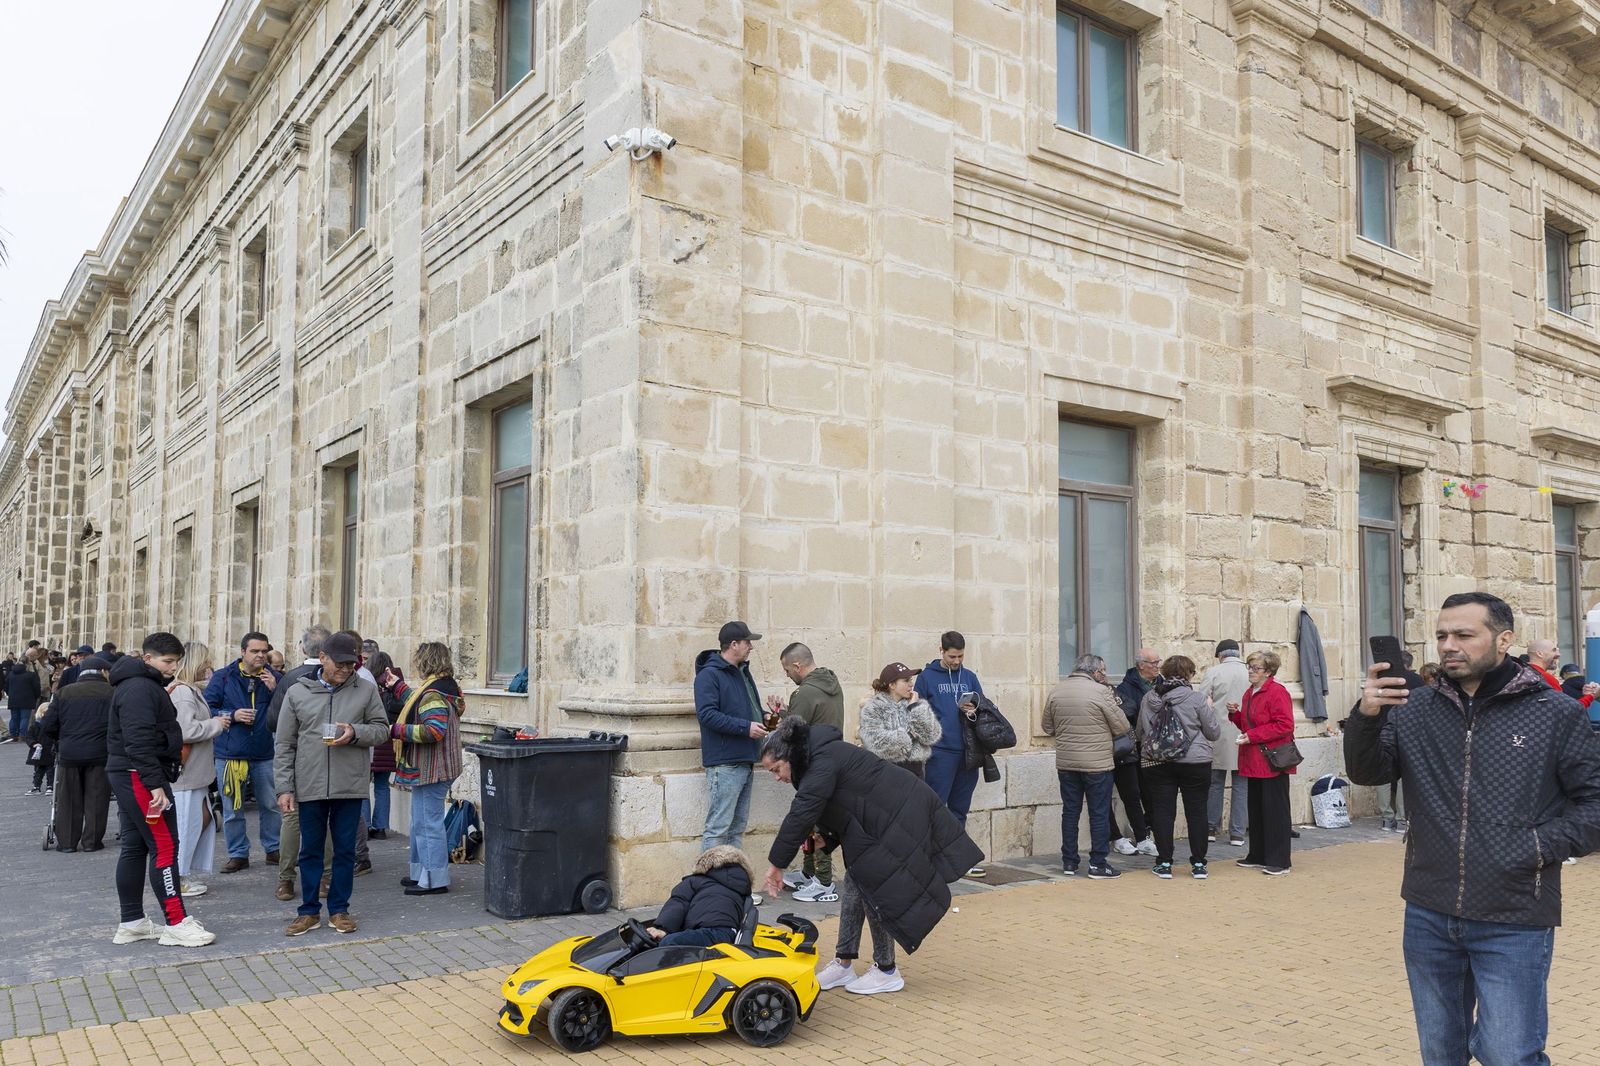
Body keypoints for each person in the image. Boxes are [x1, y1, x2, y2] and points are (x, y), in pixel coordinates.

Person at [1346, 591, 1600, 1066]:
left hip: (1515, 912)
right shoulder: (1414, 709)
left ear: (1504, 640)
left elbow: (1594, 803)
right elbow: (1368, 772)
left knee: (1508, 1054)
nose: (1449, 645)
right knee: (1441, 1052)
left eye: (1464, 634)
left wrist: (1535, 847)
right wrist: (1366, 717)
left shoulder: (1554, 712)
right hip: (1428, 909)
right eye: (1442, 635)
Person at [758, 718, 982, 996]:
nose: (776, 777)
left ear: (789, 755)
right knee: (856, 883)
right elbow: (841, 803)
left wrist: (777, 864)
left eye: (776, 769)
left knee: (875, 888)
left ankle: (886, 970)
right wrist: (827, 838)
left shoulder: (820, 759)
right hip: (878, 819)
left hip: (897, 815)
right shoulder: (813, 758)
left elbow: (802, 812)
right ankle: (844, 962)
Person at [104, 632, 216, 947]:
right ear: (148, 658)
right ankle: (176, 923)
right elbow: (138, 740)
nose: (172, 667)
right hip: (140, 775)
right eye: (168, 661)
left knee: (135, 846)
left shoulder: (139, 684)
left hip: (133, 773)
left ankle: (132, 922)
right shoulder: (140, 688)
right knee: (165, 846)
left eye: (176, 662)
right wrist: (154, 785)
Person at [274, 631, 388, 936]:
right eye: (340, 663)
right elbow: (284, 744)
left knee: (345, 852)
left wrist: (355, 732)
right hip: (309, 783)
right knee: (310, 851)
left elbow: (382, 730)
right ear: (322, 658)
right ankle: (308, 911)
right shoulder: (297, 692)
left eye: (351, 664)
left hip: (349, 784)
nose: (346, 669)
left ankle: (339, 910)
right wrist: (284, 787)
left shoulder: (365, 690)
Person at [385, 643, 464, 896]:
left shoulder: (434, 693)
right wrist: (397, 686)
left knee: (428, 824)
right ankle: (420, 873)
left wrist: (395, 730)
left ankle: (434, 880)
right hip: (433, 767)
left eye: (419, 660)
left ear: (426, 662)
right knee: (420, 822)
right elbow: (417, 702)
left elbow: (433, 731)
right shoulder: (441, 687)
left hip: (433, 768)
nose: (417, 664)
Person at [1042, 654, 1130, 879]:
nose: (1105, 675)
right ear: (1096, 672)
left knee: (1070, 812)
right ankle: (1098, 864)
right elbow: (1122, 726)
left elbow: (1047, 727)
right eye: (1103, 671)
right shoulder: (1101, 692)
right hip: (1097, 764)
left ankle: (1069, 862)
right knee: (1099, 813)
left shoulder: (1057, 690)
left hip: (1067, 762)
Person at [204, 632, 282, 873]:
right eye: (255, 651)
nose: (260, 655)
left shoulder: (275, 678)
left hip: (264, 751)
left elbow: (289, 711)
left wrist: (275, 690)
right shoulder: (224, 677)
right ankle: (238, 854)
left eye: (264, 651)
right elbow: (207, 709)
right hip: (230, 753)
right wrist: (233, 715)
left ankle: (274, 849)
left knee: (270, 804)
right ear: (243, 652)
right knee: (232, 809)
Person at [1137, 655, 1221, 880]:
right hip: (1195, 762)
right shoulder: (1196, 699)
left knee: (1162, 812)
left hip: (1158, 762)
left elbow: (1140, 732)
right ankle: (1199, 864)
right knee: (1197, 812)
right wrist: (1210, 710)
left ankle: (1164, 863)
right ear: (1189, 674)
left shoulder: (1149, 698)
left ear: (1164, 672)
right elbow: (1213, 732)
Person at [774, 642, 844, 903]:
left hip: (813, 765)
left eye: (787, 670)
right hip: (830, 760)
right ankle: (808, 872)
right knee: (810, 822)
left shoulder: (804, 692)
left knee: (816, 824)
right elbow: (810, 721)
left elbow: (792, 732)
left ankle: (823, 882)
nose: (787, 675)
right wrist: (784, 712)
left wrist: (778, 720)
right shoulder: (831, 684)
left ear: (797, 665)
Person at [266, 625, 331, 901]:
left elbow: (274, 722)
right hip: (327, 757)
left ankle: (286, 880)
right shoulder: (338, 678)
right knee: (324, 821)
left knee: (291, 819)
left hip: (295, 757)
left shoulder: (291, 678)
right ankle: (325, 878)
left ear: (303, 648)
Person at [694, 621, 767, 854]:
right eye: (748, 642)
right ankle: (709, 877)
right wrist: (746, 728)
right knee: (718, 828)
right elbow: (707, 715)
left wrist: (766, 715)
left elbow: (748, 709)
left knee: (736, 829)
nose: (751, 647)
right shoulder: (709, 675)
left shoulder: (743, 673)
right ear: (734, 644)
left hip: (745, 758)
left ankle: (732, 876)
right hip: (725, 763)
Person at [1228, 650, 1295, 876]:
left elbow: (1285, 725)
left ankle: (1280, 860)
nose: (1250, 671)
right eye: (1249, 667)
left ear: (1268, 671)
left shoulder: (1277, 692)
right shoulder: (1250, 692)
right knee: (1256, 810)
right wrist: (1235, 715)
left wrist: (1253, 736)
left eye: (1255, 668)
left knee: (1275, 811)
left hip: (1272, 760)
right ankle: (1257, 854)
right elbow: (1248, 725)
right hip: (1253, 759)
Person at [914, 633, 985, 849]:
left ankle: (955, 857)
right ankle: (930, 855)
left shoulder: (969, 677)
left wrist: (973, 710)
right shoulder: (926, 677)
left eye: (960, 656)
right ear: (941, 651)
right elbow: (917, 712)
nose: (956, 661)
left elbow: (984, 708)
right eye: (952, 656)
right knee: (934, 807)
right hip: (940, 752)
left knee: (960, 810)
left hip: (969, 752)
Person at [168, 643, 228, 898]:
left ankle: (182, 872)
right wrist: (216, 724)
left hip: (195, 771)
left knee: (200, 819)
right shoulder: (183, 692)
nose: (208, 666)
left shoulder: (188, 689)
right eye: (205, 661)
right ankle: (178, 878)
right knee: (186, 824)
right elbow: (186, 730)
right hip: (188, 771)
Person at [43, 655, 113, 851]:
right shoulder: (112, 692)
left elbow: (48, 725)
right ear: (103, 672)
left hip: (69, 752)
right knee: (97, 797)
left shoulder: (64, 692)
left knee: (68, 798)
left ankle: (67, 842)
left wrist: (60, 738)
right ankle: (92, 841)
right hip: (100, 752)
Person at [646, 846, 754, 947]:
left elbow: (679, 902)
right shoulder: (741, 887)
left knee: (667, 943)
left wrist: (663, 929)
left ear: (704, 864)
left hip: (706, 933)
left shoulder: (694, 881)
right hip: (728, 934)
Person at [1109, 648, 1160, 857]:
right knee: (1130, 793)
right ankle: (1120, 837)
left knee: (1144, 793)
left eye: (1158, 662)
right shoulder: (1125, 688)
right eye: (1153, 662)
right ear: (1141, 665)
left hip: (1154, 748)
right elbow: (1128, 715)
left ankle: (1143, 834)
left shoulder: (1161, 683)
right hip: (1132, 747)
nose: (1157, 666)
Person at [1200, 639, 1251, 847]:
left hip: (1219, 733)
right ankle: (1237, 833)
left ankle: (1210, 828)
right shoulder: (1249, 672)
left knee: (1215, 783)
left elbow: (1201, 702)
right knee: (1241, 785)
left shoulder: (1214, 672)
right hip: (1244, 732)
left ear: (1221, 655)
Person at [858, 662, 941, 778]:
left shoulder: (918, 705)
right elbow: (875, 742)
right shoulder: (873, 708)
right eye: (906, 681)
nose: (911, 684)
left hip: (915, 771)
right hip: (885, 771)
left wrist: (915, 708)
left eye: (910, 680)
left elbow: (930, 736)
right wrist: (909, 736)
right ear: (892, 685)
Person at [365, 650, 400, 840]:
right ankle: (380, 828)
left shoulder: (367, 685)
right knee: (382, 786)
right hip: (389, 742)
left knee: (363, 786)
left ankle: (364, 826)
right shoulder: (396, 686)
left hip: (371, 740)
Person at [1527, 638, 1598, 709]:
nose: (1559, 654)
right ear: (1540, 654)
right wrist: (1591, 695)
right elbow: (1569, 709)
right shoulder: (1546, 678)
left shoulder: (1525, 673)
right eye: (1554, 650)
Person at [6, 654, 41, 745]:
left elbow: (6, 686)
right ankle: (22, 735)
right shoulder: (31, 675)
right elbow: (36, 688)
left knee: (14, 718)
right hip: (27, 699)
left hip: (13, 699)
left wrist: (10, 694)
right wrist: (36, 696)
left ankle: (13, 734)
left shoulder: (11, 674)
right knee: (24, 718)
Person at [25, 704, 57, 795]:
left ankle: (50, 786)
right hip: (39, 751)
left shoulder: (52, 725)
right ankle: (37, 786)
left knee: (50, 770)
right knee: (38, 770)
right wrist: (34, 744)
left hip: (49, 750)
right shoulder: (35, 725)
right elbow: (29, 737)